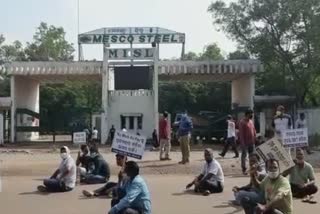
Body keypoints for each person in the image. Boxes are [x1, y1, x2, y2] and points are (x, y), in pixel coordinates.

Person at [239, 109, 256, 175]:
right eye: (250, 114)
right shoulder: (242, 122)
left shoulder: (251, 121)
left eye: (252, 114)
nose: (251, 115)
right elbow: (241, 134)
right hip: (245, 143)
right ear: (247, 114)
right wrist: (242, 143)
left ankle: (252, 169)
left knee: (252, 156)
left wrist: (255, 138)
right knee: (244, 156)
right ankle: (244, 169)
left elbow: (254, 130)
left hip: (252, 142)